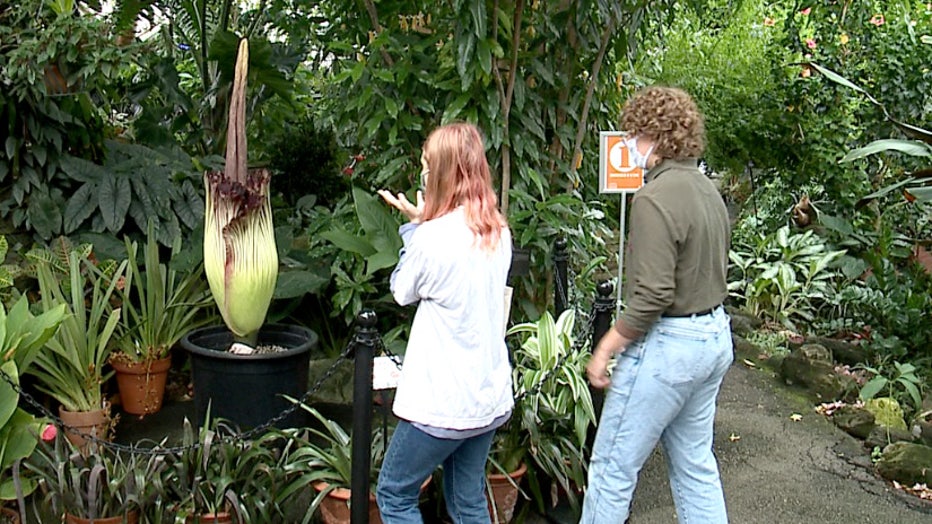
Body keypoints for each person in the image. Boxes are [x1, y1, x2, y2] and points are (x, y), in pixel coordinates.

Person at [581, 86, 733, 524]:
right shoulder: (708, 191)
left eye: (634, 134)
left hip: (669, 348)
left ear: (655, 136)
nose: (628, 144)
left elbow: (652, 297)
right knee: (695, 466)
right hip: (713, 339)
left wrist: (607, 347)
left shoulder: (653, 198)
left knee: (612, 470)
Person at [375, 122, 513, 524]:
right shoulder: (497, 231)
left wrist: (417, 226)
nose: (422, 173)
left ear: (442, 172)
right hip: (487, 398)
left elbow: (402, 290)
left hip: (442, 405)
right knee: (466, 499)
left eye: (426, 165)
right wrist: (424, 225)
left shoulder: (432, 239)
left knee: (395, 495)